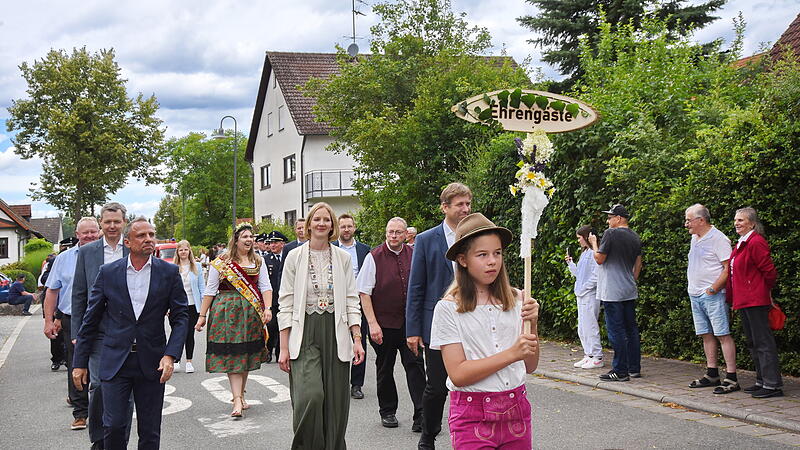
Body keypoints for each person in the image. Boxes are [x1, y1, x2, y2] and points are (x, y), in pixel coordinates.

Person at [72, 217, 189, 449]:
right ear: (127, 242)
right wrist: (80, 362)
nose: (149, 240)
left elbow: (181, 317)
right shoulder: (108, 273)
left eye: (151, 235)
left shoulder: (168, 272)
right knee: (114, 425)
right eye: (141, 236)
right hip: (116, 360)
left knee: (150, 429)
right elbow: (90, 319)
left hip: (152, 361)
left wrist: (171, 354)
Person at [430, 213, 540, 450]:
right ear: (463, 260)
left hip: (517, 409)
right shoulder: (448, 308)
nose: (492, 261)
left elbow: (530, 365)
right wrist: (512, 353)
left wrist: (533, 323)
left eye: (497, 253)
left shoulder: (518, 299)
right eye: (482, 255)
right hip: (471, 415)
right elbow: (458, 373)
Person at [277, 202, 365, 450]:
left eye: (327, 220)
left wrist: (357, 339)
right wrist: (284, 347)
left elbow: (351, 299)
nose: (321, 223)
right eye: (317, 219)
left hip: (335, 332)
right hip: (304, 332)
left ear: (332, 226)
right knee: (310, 397)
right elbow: (285, 302)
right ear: (308, 224)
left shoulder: (343, 258)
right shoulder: (294, 256)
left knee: (336, 404)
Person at [406, 182, 472, 449]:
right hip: (438, 324)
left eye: (468, 203)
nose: (466, 209)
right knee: (436, 387)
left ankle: (469, 434)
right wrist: (413, 328)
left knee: (470, 382)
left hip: (472, 319)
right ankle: (428, 437)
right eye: (460, 204)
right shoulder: (425, 240)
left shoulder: (476, 235)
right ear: (445, 207)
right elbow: (416, 285)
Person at [71, 201, 134, 449]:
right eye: (107, 222)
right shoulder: (87, 253)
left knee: (125, 392)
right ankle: (99, 440)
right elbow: (79, 294)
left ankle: (120, 442)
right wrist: (77, 332)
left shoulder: (133, 249)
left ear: (123, 223)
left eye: (116, 222)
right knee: (98, 385)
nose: (111, 226)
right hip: (96, 333)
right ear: (100, 224)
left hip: (128, 332)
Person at [195, 223, 272, 417]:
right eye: (245, 236)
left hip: (250, 313)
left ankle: (241, 394)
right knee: (234, 356)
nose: (249, 240)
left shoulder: (258, 261)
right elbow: (210, 290)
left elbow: (266, 286)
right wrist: (202, 316)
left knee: (244, 355)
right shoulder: (221, 262)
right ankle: (237, 399)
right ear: (236, 240)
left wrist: (268, 308)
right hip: (226, 314)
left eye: (251, 237)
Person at [356, 217, 425, 430]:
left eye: (397, 232)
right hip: (383, 324)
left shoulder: (414, 255)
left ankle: (421, 415)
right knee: (384, 368)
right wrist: (373, 324)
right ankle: (387, 411)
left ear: (406, 235)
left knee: (415, 367)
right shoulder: (373, 257)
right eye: (390, 232)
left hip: (409, 324)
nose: (393, 236)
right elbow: (364, 293)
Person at [43, 217, 100, 431]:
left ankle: (100, 408)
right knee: (76, 364)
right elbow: (52, 290)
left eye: (93, 232)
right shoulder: (64, 258)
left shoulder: (107, 255)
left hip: (102, 318)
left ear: (99, 232)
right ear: (77, 235)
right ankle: (80, 412)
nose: (90, 236)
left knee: (102, 364)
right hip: (72, 318)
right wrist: (50, 320)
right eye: (85, 233)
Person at [727, 207, 782, 398]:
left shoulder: (756, 242)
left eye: (741, 220)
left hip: (755, 299)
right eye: (736, 220)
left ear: (752, 223)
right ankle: (761, 380)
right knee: (753, 342)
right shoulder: (741, 243)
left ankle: (772, 384)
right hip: (744, 300)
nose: (736, 223)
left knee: (763, 341)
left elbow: (769, 271)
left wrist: (763, 290)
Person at [684, 204, 739, 394]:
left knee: (722, 334)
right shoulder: (694, 238)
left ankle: (731, 377)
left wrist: (713, 289)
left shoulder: (719, 239)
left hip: (712, 295)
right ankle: (712, 373)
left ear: (701, 220)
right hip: (695, 294)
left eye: (689, 220)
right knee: (706, 334)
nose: (686, 224)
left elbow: (728, 268)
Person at [587, 203, 642, 382]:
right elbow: (638, 264)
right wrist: (631, 280)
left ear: (619, 219)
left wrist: (594, 244)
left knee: (616, 330)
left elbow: (599, 259)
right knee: (631, 329)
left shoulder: (611, 234)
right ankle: (634, 367)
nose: (608, 220)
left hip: (611, 290)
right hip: (628, 289)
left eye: (610, 217)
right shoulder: (635, 237)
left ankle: (620, 370)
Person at [334, 213, 371, 400]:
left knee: (359, 341)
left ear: (354, 227)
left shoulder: (365, 250)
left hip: (359, 302)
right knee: (337, 341)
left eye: (349, 226)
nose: (346, 230)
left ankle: (356, 384)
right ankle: (337, 382)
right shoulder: (330, 248)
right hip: (336, 302)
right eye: (343, 226)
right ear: (338, 228)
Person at [566, 225, 603, 369]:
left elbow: (596, 276)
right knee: (582, 327)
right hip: (581, 294)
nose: (579, 241)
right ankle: (589, 355)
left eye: (579, 238)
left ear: (586, 236)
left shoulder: (594, 252)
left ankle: (597, 356)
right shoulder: (585, 253)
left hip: (590, 295)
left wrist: (585, 288)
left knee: (590, 326)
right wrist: (570, 264)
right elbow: (580, 275)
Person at [172, 240, 204, 374]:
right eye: (181, 250)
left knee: (189, 334)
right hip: (177, 305)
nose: (183, 252)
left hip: (192, 305)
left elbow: (202, 288)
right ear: (177, 252)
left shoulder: (197, 266)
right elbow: (168, 289)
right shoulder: (173, 267)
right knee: (178, 333)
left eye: (185, 249)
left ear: (189, 251)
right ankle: (176, 360)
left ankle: (189, 361)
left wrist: (203, 309)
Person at [264, 230, 289, 362]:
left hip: (285, 298)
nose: (272, 245)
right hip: (272, 300)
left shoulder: (288, 257)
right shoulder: (266, 259)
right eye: (271, 243)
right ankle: (268, 350)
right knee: (271, 326)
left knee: (283, 326)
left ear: (282, 244)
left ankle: (280, 351)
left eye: (275, 242)